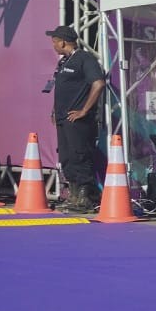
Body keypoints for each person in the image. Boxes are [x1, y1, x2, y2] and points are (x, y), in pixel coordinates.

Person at [46, 25, 105, 214]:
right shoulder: (64, 62)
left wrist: (84, 110)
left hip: (78, 120)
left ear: (63, 41)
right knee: (66, 157)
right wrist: (55, 110)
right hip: (63, 118)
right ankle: (73, 195)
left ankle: (86, 198)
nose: (53, 45)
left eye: (54, 41)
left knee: (79, 156)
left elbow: (98, 83)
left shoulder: (85, 59)